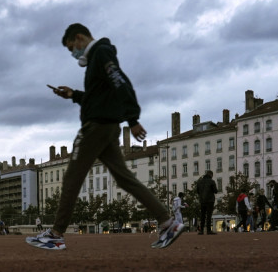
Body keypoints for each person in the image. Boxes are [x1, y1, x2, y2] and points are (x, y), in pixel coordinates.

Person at [27, 23, 178, 251]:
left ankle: (56, 234)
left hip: (95, 128)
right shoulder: (98, 57)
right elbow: (99, 96)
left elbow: (120, 82)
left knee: (72, 178)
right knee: (125, 178)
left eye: (72, 48)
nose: (73, 53)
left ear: (79, 38)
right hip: (108, 128)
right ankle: (167, 222)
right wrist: (73, 95)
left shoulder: (101, 53)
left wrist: (133, 119)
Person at [196, 170, 218, 235]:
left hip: (202, 200)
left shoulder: (199, 182)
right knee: (209, 215)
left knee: (202, 215)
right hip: (210, 200)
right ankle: (208, 230)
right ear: (211, 175)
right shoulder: (212, 181)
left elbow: (197, 191)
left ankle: (201, 230)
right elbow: (215, 191)